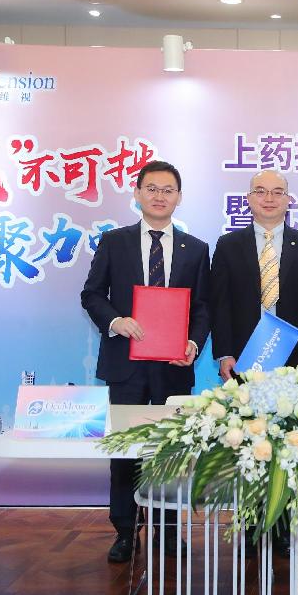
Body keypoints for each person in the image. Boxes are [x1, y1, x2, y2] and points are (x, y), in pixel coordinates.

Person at [81, 160, 211, 563]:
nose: (159, 196)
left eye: (168, 190)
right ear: (137, 193)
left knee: (170, 451)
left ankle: (168, 531)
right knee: (125, 451)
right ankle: (125, 530)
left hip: (173, 367)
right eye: (151, 188)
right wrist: (115, 322)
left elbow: (202, 307)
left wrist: (193, 342)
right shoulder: (114, 242)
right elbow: (92, 294)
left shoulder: (195, 248)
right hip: (126, 365)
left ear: (179, 197)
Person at [210, 169, 298, 554]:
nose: (269, 198)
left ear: (288, 200)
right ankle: (250, 522)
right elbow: (220, 303)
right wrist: (224, 352)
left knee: (290, 440)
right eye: (261, 191)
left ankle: (282, 524)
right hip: (247, 358)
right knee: (249, 440)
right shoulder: (228, 244)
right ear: (249, 199)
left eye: (278, 192)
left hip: (293, 357)